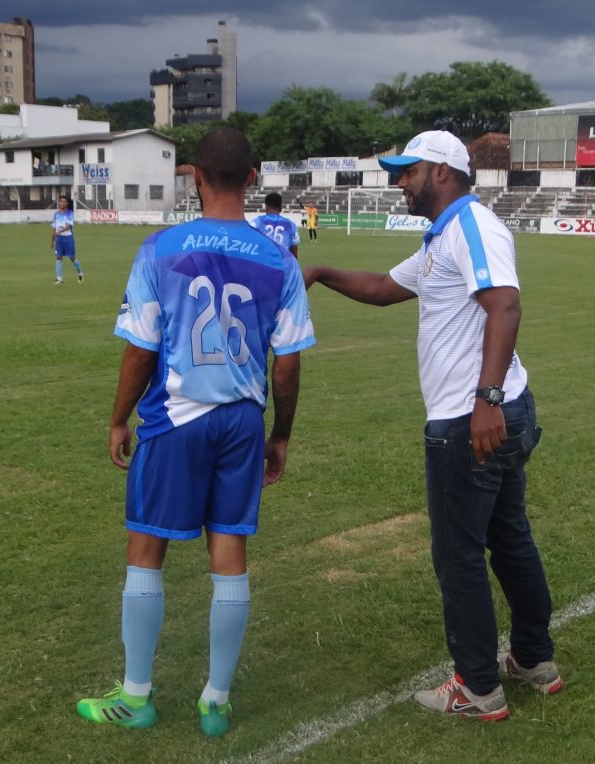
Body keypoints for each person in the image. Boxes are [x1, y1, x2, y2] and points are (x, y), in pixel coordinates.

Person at [302, 130, 561, 721]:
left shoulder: (471, 226)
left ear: (442, 171)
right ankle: (533, 659)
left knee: (459, 554)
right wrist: (319, 271)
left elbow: (505, 306)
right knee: (509, 538)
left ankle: (478, 687)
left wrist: (485, 400)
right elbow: (384, 289)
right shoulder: (442, 237)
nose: (401, 181)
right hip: (493, 411)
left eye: (409, 170)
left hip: (472, 419)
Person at [76, 127, 315, 737]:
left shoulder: (160, 248)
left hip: (176, 418)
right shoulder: (280, 260)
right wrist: (280, 435)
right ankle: (215, 700)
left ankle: (137, 696)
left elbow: (140, 349)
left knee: (146, 549)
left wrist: (118, 417)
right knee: (229, 551)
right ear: (253, 178)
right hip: (242, 422)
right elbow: (287, 366)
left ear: (194, 176)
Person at [251, 191, 301, 257]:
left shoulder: (256, 222)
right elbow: (294, 251)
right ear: (281, 208)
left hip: (263, 262)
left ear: (266, 207)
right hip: (282, 262)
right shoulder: (291, 225)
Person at [50, 194, 83, 284]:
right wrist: (52, 240)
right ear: (59, 203)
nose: (63, 203)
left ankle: (80, 273)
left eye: (64, 202)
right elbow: (54, 228)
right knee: (58, 257)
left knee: (72, 258)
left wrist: (59, 232)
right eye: (61, 201)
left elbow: (69, 226)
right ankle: (59, 279)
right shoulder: (56, 214)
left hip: (68, 238)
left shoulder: (70, 213)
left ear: (67, 203)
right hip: (59, 239)